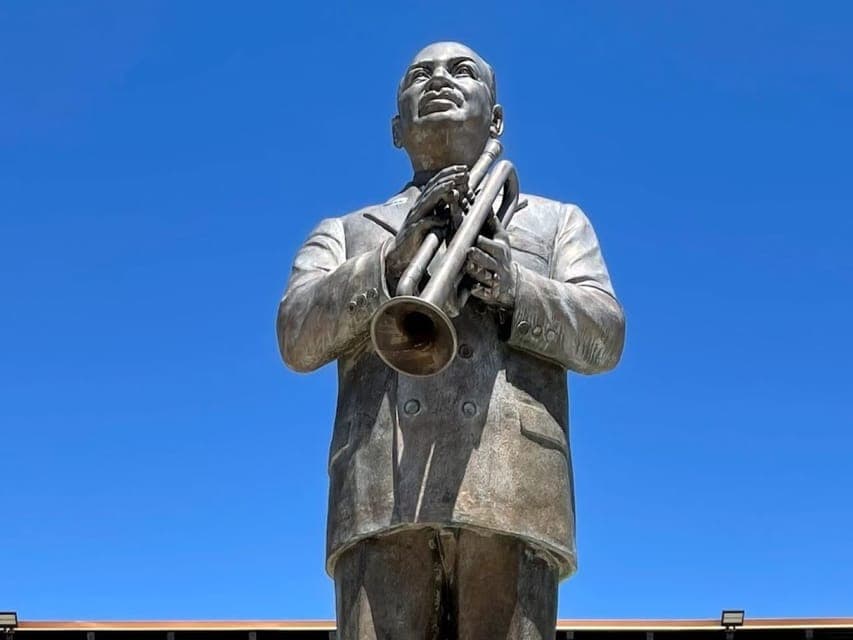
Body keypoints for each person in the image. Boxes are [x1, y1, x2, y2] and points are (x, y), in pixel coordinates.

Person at [277, 41, 625, 640]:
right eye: (419, 75)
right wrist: (389, 263)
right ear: (396, 128)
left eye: (461, 71)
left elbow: (605, 334)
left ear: (496, 119)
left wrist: (518, 289)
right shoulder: (345, 231)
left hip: (514, 488)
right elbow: (295, 337)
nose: (438, 79)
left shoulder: (558, 221)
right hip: (379, 495)